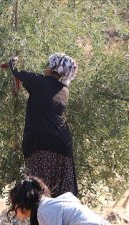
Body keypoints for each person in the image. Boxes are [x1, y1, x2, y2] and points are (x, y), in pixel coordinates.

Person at [8, 53, 78, 197]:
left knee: (39, 194)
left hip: (40, 144)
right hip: (62, 147)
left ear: (52, 66)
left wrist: (13, 59)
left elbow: (15, 70)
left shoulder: (39, 82)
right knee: (62, 196)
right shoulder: (64, 91)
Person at [7, 176, 111, 225]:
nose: (13, 210)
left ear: (21, 204)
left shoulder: (44, 211)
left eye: (13, 205)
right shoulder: (50, 206)